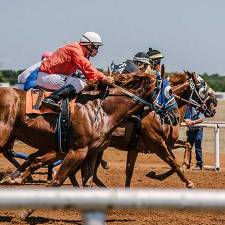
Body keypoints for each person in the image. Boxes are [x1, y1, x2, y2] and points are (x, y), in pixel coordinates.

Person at [37, 31, 113, 112]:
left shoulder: (79, 51)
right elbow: (87, 66)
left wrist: (100, 78)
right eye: (96, 47)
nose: (97, 51)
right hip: (47, 76)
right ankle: (51, 99)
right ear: (89, 45)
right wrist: (103, 77)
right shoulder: (76, 50)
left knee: (82, 82)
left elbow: (87, 73)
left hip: (50, 76)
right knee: (79, 83)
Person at [184, 106, 205, 170]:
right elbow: (184, 117)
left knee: (197, 147)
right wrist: (185, 120)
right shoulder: (186, 108)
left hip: (198, 130)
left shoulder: (199, 107)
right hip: (190, 130)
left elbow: (202, 119)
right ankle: (187, 163)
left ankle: (199, 164)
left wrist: (193, 122)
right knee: (187, 147)